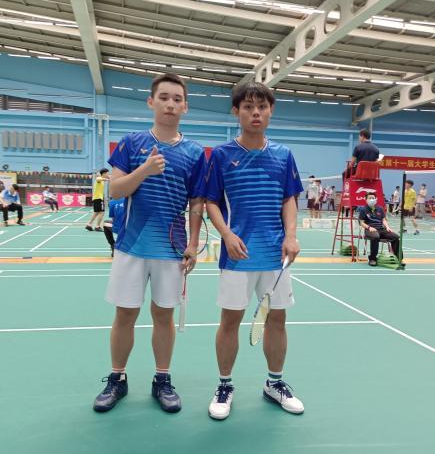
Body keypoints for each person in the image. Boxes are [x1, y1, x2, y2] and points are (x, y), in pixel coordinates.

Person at [93, 73, 206, 415]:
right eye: (164, 97)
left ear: (185, 106)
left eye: (177, 99)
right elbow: (115, 190)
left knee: (163, 315)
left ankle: (162, 379)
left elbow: (197, 203)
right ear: (151, 102)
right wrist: (144, 169)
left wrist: (194, 243)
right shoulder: (131, 143)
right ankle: (117, 378)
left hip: (171, 248)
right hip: (131, 244)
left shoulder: (195, 153)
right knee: (125, 313)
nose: (170, 104)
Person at [203, 80, 304, 421]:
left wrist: (291, 235)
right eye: (248, 107)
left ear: (271, 111)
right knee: (230, 319)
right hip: (238, 254)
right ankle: (224, 385)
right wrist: (226, 234)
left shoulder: (283, 155)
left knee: (277, 319)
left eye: (262, 107)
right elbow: (211, 201)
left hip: (275, 254)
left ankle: (274, 383)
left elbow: (289, 199)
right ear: (237, 111)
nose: (256, 113)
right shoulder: (221, 155)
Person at [358, 192, 402, 267]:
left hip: (381, 229)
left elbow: (384, 220)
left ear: (376, 199)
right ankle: (372, 259)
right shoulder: (363, 209)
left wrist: (387, 227)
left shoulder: (380, 208)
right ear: (366, 199)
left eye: (373, 198)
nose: (371, 199)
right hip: (370, 230)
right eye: (369, 198)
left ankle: (399, 258)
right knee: (375, 237)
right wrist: (369, 227)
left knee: (395, 237)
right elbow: (361, 222)